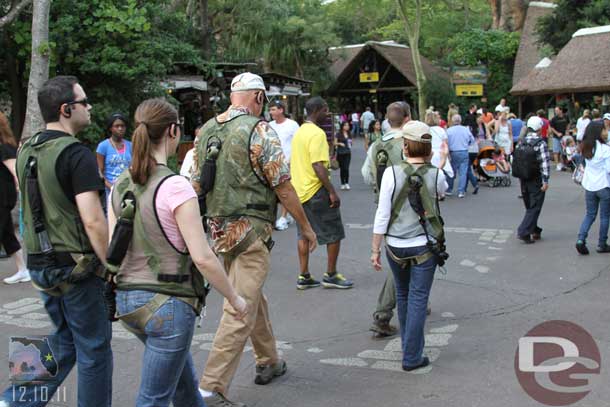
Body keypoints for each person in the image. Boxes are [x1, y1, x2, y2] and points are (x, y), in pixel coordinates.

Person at [107, 98, 247, 407]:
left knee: (183, 383)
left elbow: (113, 247)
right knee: (154, 399)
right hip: (169, 303)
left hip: (128, 302)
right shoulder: (175, 186)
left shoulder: (119, 185)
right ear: (172, 131)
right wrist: (235, 299)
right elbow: (203, 257)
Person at [191, 73, 317, 407]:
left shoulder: (205, 131)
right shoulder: (260, 131)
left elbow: (195, 184)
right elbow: (282, 185)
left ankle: (268, 360)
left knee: (251, 296)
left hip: (218, 231)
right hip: (251, 231)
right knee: (240, 308)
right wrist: (305, 226)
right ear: (259, 98)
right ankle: (210, 388)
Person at [1, 76, 112, 406]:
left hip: (39, 265)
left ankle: (14, 399)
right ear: (67, 109)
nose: (89, 107)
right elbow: (93, 220)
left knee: (64, 337)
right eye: (84, 101)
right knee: (94, 348)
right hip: (75, 267)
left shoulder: (27, 149)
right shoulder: (77, 154)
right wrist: (113, 266)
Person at [370, 120, 447, 371]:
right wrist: (440, 162)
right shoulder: (436, 174)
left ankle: (408, 348)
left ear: (405, 147)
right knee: (417, 298)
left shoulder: (391, 173)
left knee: (403, 294)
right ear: (429, 149)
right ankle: (412, 356)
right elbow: (443, 190)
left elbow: (382, 213)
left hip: (394, 245)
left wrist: (375, 249)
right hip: (425, 246)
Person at [291, 96, 353, 291]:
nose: (327, 115)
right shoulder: (317, 134)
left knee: (303, 234)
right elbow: (318, 166)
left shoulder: (300, 131)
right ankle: (331, 274)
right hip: (316, 190)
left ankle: (304, 275)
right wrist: (332, 192)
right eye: (326, 110)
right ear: (317, 110)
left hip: (300, 191)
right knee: (334, 232)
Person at [361, 101, 410, 338]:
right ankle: (383, 314)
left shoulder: (378, 145)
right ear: (408, 118)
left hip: (385, 204)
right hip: (412, 207)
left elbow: (366, 174)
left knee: (400, 255)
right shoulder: (415, 141)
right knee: (408, 256)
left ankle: (414, 298)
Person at [0, 112, 29, 284]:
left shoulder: (5, 148)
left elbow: (15, 171)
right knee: (7, 235)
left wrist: (22, 190)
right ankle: (23, 270)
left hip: (3, 198)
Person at [575, 121, 610, 255]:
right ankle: (602, 244)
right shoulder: (605, 149)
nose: (606, 132)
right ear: (598, 132)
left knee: (590, 214)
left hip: (589, 186)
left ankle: (580, 239)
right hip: (604, 186)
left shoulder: (585, 147)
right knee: (605, 216)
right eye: (604, 130)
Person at [515, 116, 551, 244]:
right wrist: (545, 180)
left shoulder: (521, 141)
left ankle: (535, 229)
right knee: (535, 206)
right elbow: (544, 164)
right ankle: (524, 231)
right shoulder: (540, 143)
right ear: (539, 128)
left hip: (523, 178)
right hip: (536, 179)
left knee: (530, 205)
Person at [268, 100, 300, 231]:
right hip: (272, 163)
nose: (271, 112)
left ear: (281, 110)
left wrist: (293, 161)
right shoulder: (269, 125)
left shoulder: (292, 125)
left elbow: (298, 144)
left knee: (285, 191)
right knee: (273, 191)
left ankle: (283, 217)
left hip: (288, 163)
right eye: (270, 110)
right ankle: (279, 216)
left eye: (273, 109)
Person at [96, 112, 132, 197]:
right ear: (110, 128)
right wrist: (111, 187)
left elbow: (132, 168)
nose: (120, 128)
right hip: (110, 190)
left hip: (128, 189)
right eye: (117, 126)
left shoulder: (131, 146)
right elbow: (99, 171)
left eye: (122, 126)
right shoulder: (103, 146)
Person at [446, 114, 477, 198]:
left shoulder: (449, 130)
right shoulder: (465, 129)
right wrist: (467, 144)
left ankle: (449, 189)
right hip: (464, 151)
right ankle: (461, 191)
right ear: (460, 121)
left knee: (452, 172)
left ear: (452, 121)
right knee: (463, 172)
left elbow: (446, 142)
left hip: (453, 152)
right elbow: (472, 140)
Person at [424, 110, 453, 179]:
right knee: (441, 172)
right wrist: (448, 155)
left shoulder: (425, 130)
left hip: (429, 153)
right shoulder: (441, 130)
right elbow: (445, 143)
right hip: (440, 153)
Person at [334, 121, 353, 190]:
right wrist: (339, 143)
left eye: (348, 125)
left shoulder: (349, 133)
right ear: (342, 126)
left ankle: (347, 183)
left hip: (348, 153)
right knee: (342, 169)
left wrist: (350, 142)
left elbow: (351, 142)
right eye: (346, 125)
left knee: (346, 168)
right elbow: (334, 143)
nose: (347, 127)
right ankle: (342, 183)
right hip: (340, 153)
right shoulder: (338, 134)